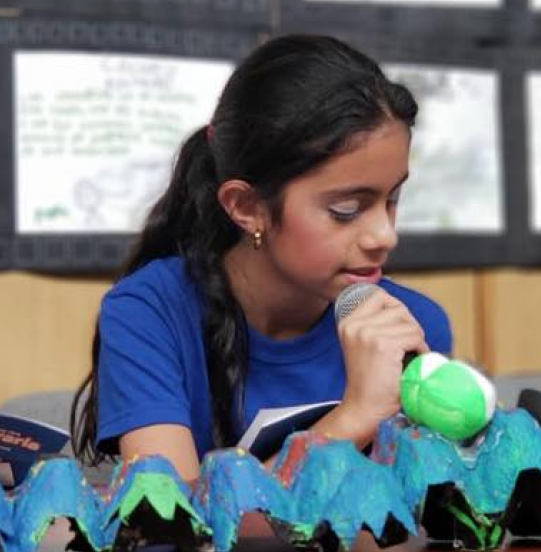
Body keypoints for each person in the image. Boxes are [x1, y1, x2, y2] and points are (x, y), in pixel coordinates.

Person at [70, 34, 452, 482]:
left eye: (393, 198)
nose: (385, 235)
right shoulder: (148, 313)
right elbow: (170, 523)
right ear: (247, 207)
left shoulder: (410, 327)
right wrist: (354, 419)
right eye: (346, 209)